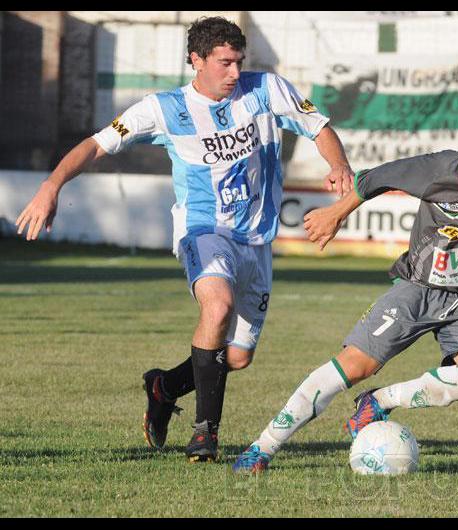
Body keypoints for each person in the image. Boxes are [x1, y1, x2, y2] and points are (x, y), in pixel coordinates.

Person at [14, 17, 354, 462]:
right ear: (196, 60)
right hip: (203, 229)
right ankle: (204, 434)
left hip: (256, 240)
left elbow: (318, 126)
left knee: (234, 358)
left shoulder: (267, 89)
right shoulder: (164, 108)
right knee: (218, 305)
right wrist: (51, 185)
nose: (235, 72)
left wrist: (339, 165)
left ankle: (164, 386)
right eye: (224, 63)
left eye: (239, 62)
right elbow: (96, 145)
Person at [231, 96, 458, 474]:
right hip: (417, 289)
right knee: (353, 366)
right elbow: (374, 179)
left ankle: (381, 401)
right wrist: (335, 214)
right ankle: (262, 448)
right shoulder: (439, 168)